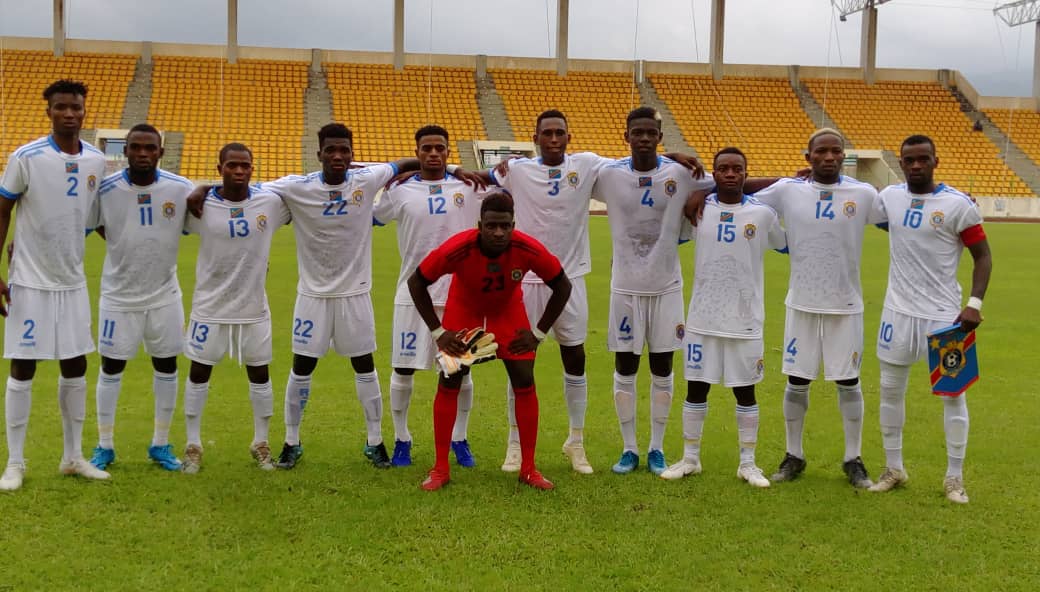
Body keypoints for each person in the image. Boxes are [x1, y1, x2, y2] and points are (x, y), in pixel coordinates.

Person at [487, 110, 704, 474]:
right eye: (547, 134)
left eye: (560, 133)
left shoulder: (589, 165)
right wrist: (435, 172)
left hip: (570, 280)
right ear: (536, 137)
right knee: (520, 364)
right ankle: (514, 444)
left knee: (575, 359)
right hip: (525, 281)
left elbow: (643, 160)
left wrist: (674, 157)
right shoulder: (518, 170)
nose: (554, 139)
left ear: (569, 137)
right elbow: (480, 179)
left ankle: (576, 441)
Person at [407, 192, 572, 491]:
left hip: (508, 313)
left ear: (513, 225)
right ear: (479, 224)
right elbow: (416, 282)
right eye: (492, 226)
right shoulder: (458, 248)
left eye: (505, 226)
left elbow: (562, 284)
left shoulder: (527, 248)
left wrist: (537, 334)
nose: (499, 233)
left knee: (524, 380)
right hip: (464, 312)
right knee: (449, 381)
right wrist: (438, 332)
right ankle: (440, 468)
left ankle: (529, 468)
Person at [748, 129, 879, 488]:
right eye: (821, 151)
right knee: (797, 378)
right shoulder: (789, 190)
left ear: (843, 157)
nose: (829, 157)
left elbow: (896, 218)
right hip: (801, 303)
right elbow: (740, 189)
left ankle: (853, 459)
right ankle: (794, 456)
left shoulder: (863, 194)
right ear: (808, 157)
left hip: (846, 304)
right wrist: (698, 192)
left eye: (836, 151)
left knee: (848, 380)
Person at [868, 135, 991, 504]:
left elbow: (983, 256)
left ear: (935, 160)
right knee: (890, 391)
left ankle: (954, 478)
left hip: (944, 317)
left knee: (953, 396)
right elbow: (870, 213)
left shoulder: (958, 205)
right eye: (909, 160)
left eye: (923, 159)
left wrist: (973, 303)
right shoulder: (889, 198)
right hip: (897, 313)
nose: (916, 165)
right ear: (901, 163)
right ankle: (894, 468)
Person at [0, 79, 110, 491]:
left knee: (76, 364)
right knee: (23, 365)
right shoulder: (26, 157)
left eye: (76, 107)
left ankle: (72, 456)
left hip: (73, 283)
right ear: (48, 112)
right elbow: (2, 211)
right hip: (29, 281)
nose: (69, 113)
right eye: (61, 107)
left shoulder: (97, 161)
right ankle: (14, 463)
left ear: (84, 111)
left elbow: (96, 220)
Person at [595, 106, 714, 476]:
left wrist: (699, 195)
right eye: (637, 132)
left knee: (663, 367)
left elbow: (720, 182)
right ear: (626, 135)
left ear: (660, 137)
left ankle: (657, 448)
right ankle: (630, 449)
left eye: (651, 133)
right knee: (625, 367)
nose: (644, 138)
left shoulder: (680, 172)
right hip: (625, 289)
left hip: (667, 288)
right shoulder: (608, 174)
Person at [661, 147, 786, 487]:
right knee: (696, 389)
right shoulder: (698, 210)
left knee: (745, 392)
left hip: (745, 321)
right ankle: (690, 458)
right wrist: (700, 193)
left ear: (746, 174)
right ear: (714, 175)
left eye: (737, 169)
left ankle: (748, 463)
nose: (730, 174)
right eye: (723, 169)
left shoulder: (762, 214)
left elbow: (784, 245)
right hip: (702, 319)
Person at [374, 125, 484, 467]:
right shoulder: (399, 190)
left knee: (461, 370)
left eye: (440, 148)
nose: (433, 153)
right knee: (403, 369)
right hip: (412, 293)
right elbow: (372, 215)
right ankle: (402, 439)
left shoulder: (468, 187)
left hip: (459, 295)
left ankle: (459, 438)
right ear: (417, 151)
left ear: (448, 152)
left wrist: (455, 172)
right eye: (426, 148)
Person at [180, 143, 292, 473]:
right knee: (199, 373)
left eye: (245, 165)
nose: (239, 171)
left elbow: (301, 195)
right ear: (220, 169)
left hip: (253, 307)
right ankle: (193, 444)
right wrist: (204, 189)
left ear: (252, 169)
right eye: (232, 166)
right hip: (208, 307)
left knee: (260, 373)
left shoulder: (269, 202)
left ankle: (260, 442)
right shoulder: (201, 205)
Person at [87, 124, 192, 472]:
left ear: (160, 152)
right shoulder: (105, 189)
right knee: (111, 366)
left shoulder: (180, 188)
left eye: (150, 147)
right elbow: (91, 224)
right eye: (135, 147)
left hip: (165, 295)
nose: (142, 153)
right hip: (119, 296)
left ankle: (160, 443)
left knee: (166, 364)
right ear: (125, 151)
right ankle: (104, 445)